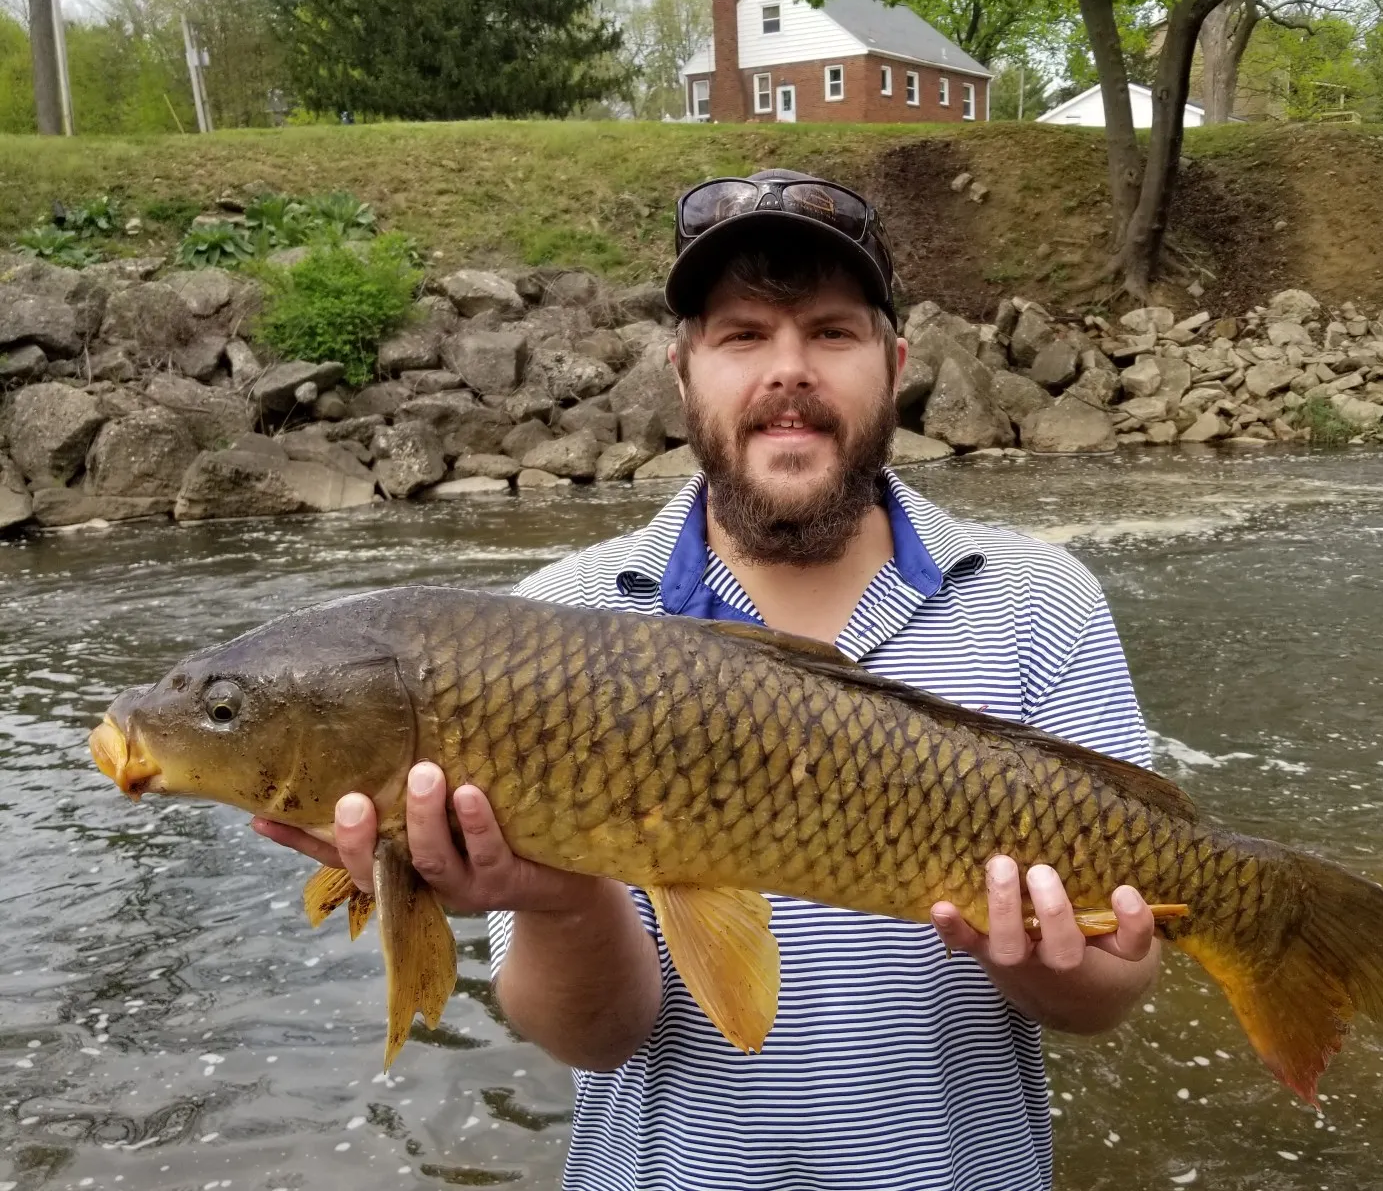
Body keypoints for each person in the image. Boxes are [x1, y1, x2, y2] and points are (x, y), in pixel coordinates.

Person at [255, 170, 1160, 1191]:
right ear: (682, 373)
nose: (788, 372)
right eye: (741, 336)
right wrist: (561, 903)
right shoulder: (545, 626)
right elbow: (595, 1039)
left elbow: (1114, 989)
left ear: (896, 365)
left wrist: (1046, 962)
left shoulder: (1041, 601)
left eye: (831, 332)